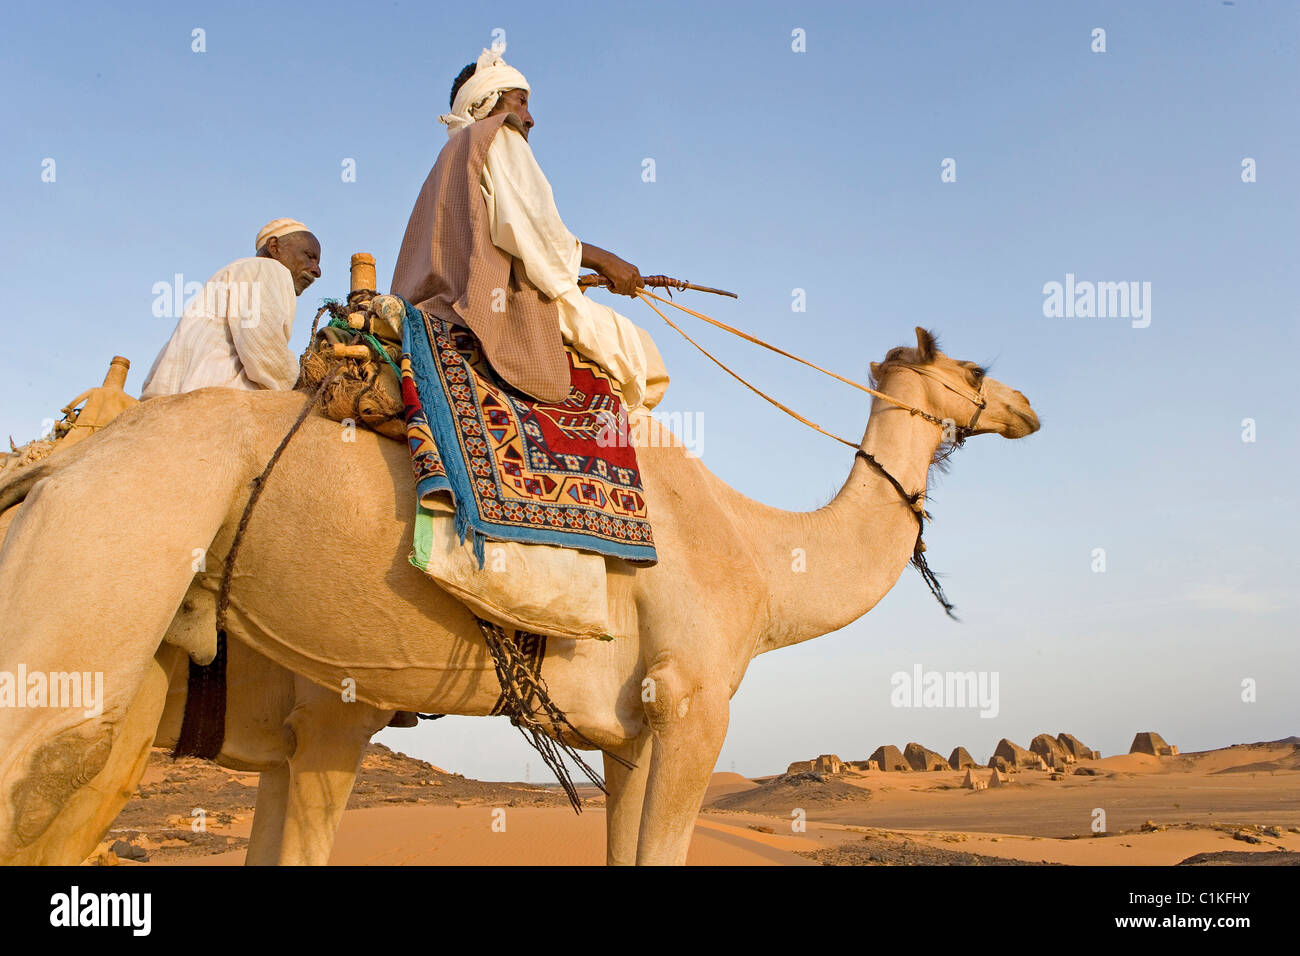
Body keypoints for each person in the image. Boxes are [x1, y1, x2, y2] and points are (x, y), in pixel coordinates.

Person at [391, 46, 654, 412]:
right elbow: (538, 236)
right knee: (644, 359)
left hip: (431, 304)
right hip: (489, 303)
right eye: (521, 101)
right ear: (488, 102)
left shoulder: (446, 162)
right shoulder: (497, 133)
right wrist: (605, 261)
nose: (529, 118)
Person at [140, 219, 321, 398]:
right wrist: (302, 386)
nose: (317, 271)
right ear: (274, 247)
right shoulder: (268, 268)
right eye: (309, 256)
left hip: (172, 402)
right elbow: (264, 348)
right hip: (219, 401)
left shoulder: (232, 273)